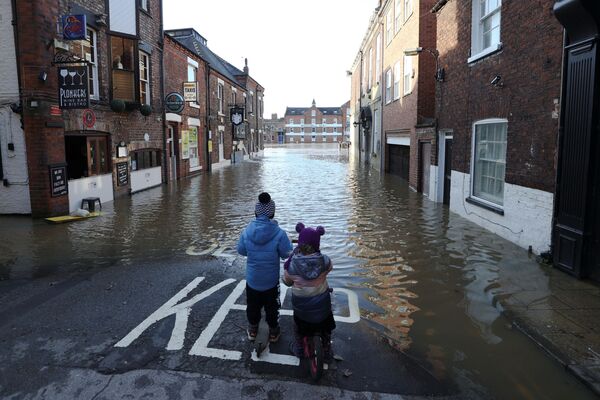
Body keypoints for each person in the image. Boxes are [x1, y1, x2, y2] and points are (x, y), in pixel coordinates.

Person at [237, 192, 292, 343]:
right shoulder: (279, 233)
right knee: (272, 307)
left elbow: (241, 250)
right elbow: (287, 253)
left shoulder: (247, 232)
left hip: (253, 280)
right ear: (272, 213)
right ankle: (274, 332)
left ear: (255, 212)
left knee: (253, 306)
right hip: (270, 281)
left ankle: (253, 330)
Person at [283, 222, 336, 362]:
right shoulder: (325, 261)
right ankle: (326, 349)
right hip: (322, 307)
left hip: (302, 309)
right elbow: (330, 268)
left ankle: (299, 349)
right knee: (326, 328)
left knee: (298, 326)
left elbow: (287, 281)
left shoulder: (292, 264)